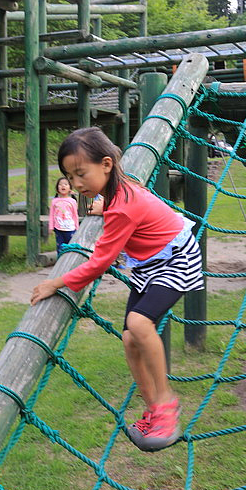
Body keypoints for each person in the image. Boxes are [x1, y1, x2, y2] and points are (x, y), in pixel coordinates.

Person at [31, 127, 204, 452]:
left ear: (107, 164)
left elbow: (99, 263)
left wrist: (55, 282)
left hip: (177, 258)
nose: (77, 183)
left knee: (139, 324)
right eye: (70, 175)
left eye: (81, 174)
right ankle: (153, 406)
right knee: (128, 338)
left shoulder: (124, 206)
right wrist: (102, 206)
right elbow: (120, 198)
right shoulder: (118, 193)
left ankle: (167, 404)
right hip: (150, 264)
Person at [49, 176, 79, 256]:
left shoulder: (72, 201)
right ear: (57, 188)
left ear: (70, 188)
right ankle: (60, 263)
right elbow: (51, 215)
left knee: (71, 246)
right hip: (58, 228)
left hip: (70, 228)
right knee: (60, 247)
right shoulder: (54, 201)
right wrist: (51, 227)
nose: (63, 186)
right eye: (60, 184)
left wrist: (77, 228)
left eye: (66, 184)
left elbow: (75, 215)